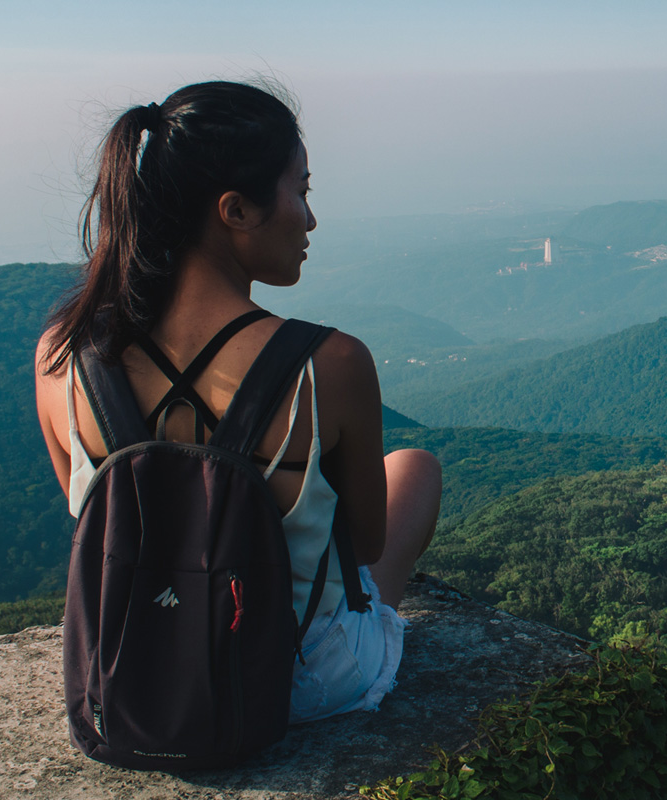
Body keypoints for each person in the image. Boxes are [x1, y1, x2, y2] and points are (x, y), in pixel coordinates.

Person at [34, 80, 441, 723]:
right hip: (292, 683)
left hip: (133, 681)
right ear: (235, 210)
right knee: (415, 467)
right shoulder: (327, 365)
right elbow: (363, 545)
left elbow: (90, 517)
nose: (309, 219)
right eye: (301, 192)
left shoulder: (63, 355)